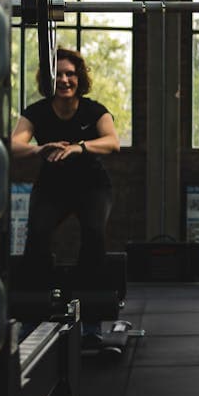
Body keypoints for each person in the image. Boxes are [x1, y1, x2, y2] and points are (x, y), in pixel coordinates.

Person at [10, 48, 120, 342]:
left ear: (79, 78)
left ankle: (91, 322)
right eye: (58, 74)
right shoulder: (37, 111)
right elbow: (14, 144)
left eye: (70, 74)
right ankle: (32, 317)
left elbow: (113, 142)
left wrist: (78, 147)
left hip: (92, 185)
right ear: (49, 79)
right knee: (37, 235)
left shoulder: (94, 110)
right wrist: (38, 149)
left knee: (94, 234)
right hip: (52, 186)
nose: (64, 80)